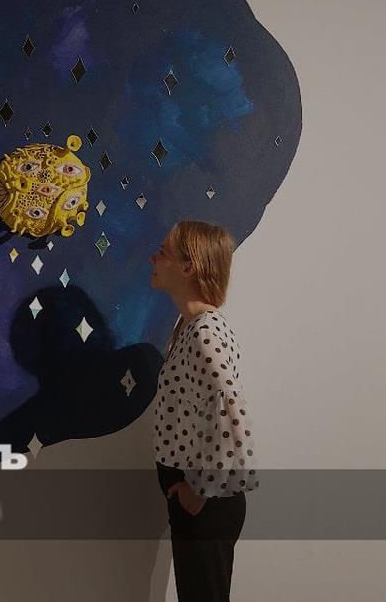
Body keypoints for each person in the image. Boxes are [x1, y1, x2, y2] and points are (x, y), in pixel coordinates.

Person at [149, 219, 259, 602]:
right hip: (198, 497)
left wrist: (197, 491)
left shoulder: (205, 333)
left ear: (188, 267)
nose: (153, 259)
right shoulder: (188, 325)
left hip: (206, 500)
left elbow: (231, 411)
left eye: (162, 252)